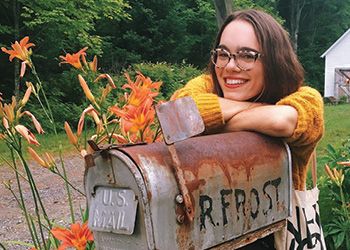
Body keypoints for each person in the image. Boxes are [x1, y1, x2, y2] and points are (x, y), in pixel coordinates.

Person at [172, 9, 324, 249]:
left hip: (279, 238)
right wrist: (257, 109)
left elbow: (281, 121)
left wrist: (212, 122)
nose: (230, 66)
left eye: (246, 55)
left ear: (274, 60)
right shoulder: (206, 84)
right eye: (223, 54)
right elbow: (177, 114)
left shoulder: (305, 98)